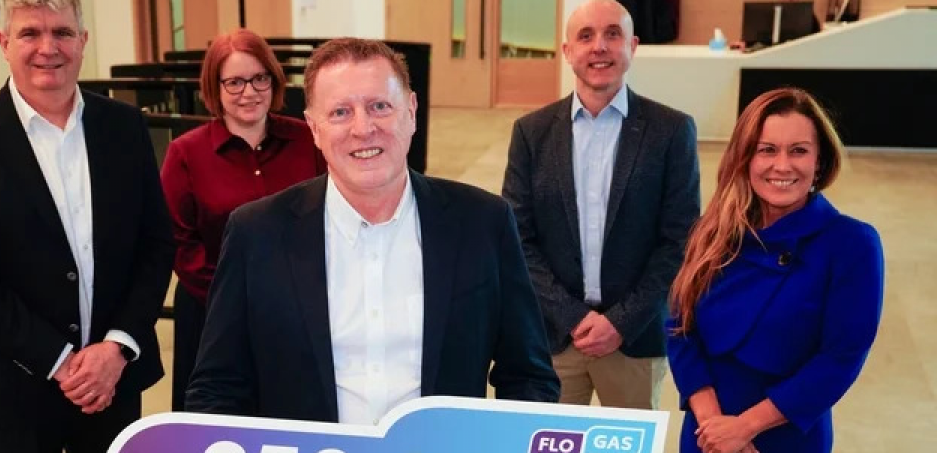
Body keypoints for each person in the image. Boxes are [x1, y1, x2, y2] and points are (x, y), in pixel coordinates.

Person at [184, 38, 560, 423]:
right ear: (314, 128)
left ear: (411, 112)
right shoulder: (256, 234)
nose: (363, 129)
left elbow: (529, 376)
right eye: (340, 112)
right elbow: (217, 388)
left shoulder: (483, 223)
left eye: (380, 106)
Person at [0, 0, 174, 451]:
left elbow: (155, 244)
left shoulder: (124, 125)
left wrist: (116, 346)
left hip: (112, 380)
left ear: (83, 41)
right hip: (10, 388)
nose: (48, 48)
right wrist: (60, 361)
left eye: (62, 32)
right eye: (30, 33)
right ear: (4, 43)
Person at [501, 0, 700, 410]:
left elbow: (680, 241)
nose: (599, 47)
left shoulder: (671, 131)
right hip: (556, 337)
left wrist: (620, 322)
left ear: (633, 46)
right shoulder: (531, 133)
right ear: (567, 50)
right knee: (550, 437)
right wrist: (572, 316)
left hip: (634, 340)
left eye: (613, 34)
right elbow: (517, 238)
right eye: (586, 36)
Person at [667, 87, 884, 453]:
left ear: (819, 161)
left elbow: (840, 358)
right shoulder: (713, 231)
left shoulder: (852, 244)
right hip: (706, 434)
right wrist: (714, 425)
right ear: (745, 158)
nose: (782, 166)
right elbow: (678, 325)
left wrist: (744, 429)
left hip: (786, 436)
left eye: (798, 150)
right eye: (767, 149)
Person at [160, 28, 326, 412]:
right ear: (214, 88)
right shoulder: (185, 153)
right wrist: (237, 304)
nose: (249, 92)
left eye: (259, 78)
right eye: (234, 82)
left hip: (300, 309)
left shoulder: (309, 141)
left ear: (274, 80)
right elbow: (181, 243)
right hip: (212, 313)